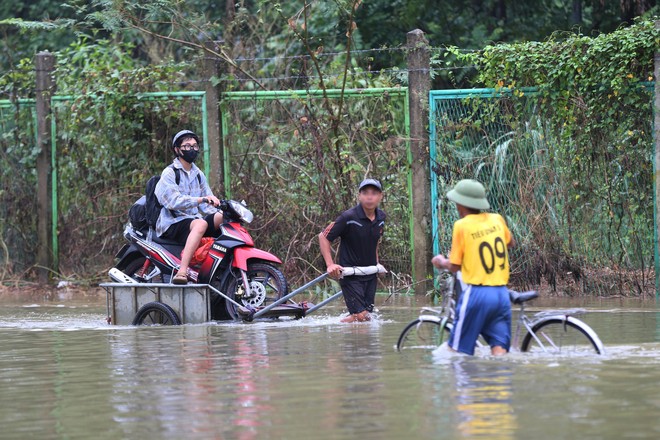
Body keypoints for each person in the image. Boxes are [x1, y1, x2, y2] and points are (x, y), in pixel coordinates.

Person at [431, 179, 515, 355]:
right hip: (501, 295)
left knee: (456, 351)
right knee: (500, 353)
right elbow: (510, 243)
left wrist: (440, 262)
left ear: (461, 204)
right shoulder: (497, 219)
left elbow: (454, 266)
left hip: (477, 294)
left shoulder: (462, 225)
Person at [155, 130, 223, 284]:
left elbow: (208, 206)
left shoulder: (198, 174)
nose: (192, 149)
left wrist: (221, 209)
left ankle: (221, 268)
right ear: (177, 150)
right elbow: (173, 201)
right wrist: (201, 200)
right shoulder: (170, 173)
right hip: (173, 222)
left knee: (224, 218)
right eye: (187, 146)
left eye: (194, 146)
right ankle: (182, 271)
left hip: (192, 220)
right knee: (201, 223)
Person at [319, 178, 386, 323]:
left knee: (366, 316)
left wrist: (377, 264)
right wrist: (330, 265)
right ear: (359, 196)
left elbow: (374, 242)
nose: (369, 197)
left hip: (370, 274)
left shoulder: (381, 217)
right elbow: (323, 237)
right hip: (350, 275)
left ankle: (342, 330)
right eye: (365, 193)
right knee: (361, 316)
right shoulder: (348, 217)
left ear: (380, 196)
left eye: (374, 193)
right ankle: (333, 331)